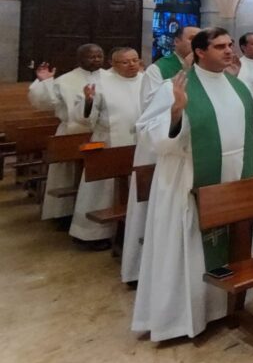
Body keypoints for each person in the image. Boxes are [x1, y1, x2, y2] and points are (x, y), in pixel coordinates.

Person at [132, 28, 253, 342]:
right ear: (199, 52)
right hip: (187, 184)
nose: (229, 51)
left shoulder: (237, 87)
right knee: (190, 249)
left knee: (232, 243)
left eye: (229, 45)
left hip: (233, 185)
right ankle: (183, 318)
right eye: (220, 46)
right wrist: (175, 111)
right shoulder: (175, 86)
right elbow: (148, 135)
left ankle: (227, 306)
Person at [70, 47, 143, 250]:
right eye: (125, 62)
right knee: (100, 191)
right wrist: (89, 101)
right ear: (113, 63)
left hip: (139, 145)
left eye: (135, 60)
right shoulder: (101, 82)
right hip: (109, 143)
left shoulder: (146, 80)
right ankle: (91, 234)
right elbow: (83, 118)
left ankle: (131, 231)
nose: (132, 65)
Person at [28, 43, 104, 221]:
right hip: (72, 133)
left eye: (99, 56)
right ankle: (63, 214)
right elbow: (44, 103)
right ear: (80, 59)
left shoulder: (109, 78)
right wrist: (44, 82)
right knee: (67, 176)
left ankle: (91, 214)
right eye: (91, 56)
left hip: (100, 133)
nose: (96, 59)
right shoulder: (66, 80)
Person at [140, 27, 199, 109]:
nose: (198, 43)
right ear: (176, 41)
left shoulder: (210, 67)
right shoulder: (156, 69)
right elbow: (150, 105)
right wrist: (185, 72)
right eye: (192, 39)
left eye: (201, 40)